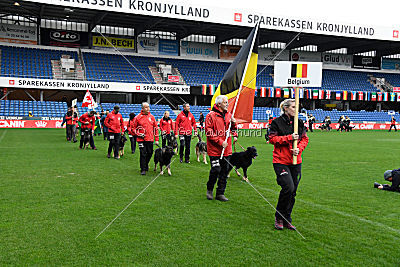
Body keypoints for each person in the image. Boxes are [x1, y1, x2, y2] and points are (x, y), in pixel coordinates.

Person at [268, 99, 309, 230]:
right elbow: (272, 139)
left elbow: (304, 139)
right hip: (280, 161)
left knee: (293, 192)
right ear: (285, 108)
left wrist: (299, 149)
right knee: (288, 188)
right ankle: (279, 217)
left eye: (297, 107)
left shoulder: (299, 122)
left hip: (296, 161)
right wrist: (289, 138)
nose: (296, 109)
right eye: (293, 107)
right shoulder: (276, 122)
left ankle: (287, 218)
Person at [205, 95, 237, 202]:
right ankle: (209, 189)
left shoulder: (229, 115)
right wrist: (220, 141)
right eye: (225, 102)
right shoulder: (210, 115)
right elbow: (209, 132)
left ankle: (220, 193)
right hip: (214, 150)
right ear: (219, 104)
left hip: (227, 149)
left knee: (224, 171)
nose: (227, 104)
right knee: (216, 169)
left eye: (227, 102)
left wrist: (234, 123)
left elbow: (233, 129)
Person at [133, 102, 159, 175]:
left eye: (148, 107)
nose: (148, 109)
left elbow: (155, 128)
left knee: (150, 153)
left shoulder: (152, 117)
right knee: (143, 153)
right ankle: (143, 169)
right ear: (142, 108)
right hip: (141, 139)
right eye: (146, 107)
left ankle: (146, 164)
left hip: (150, 139)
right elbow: (133, 128)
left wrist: (156, 139)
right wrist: (139, 134)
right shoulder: (138, 117)